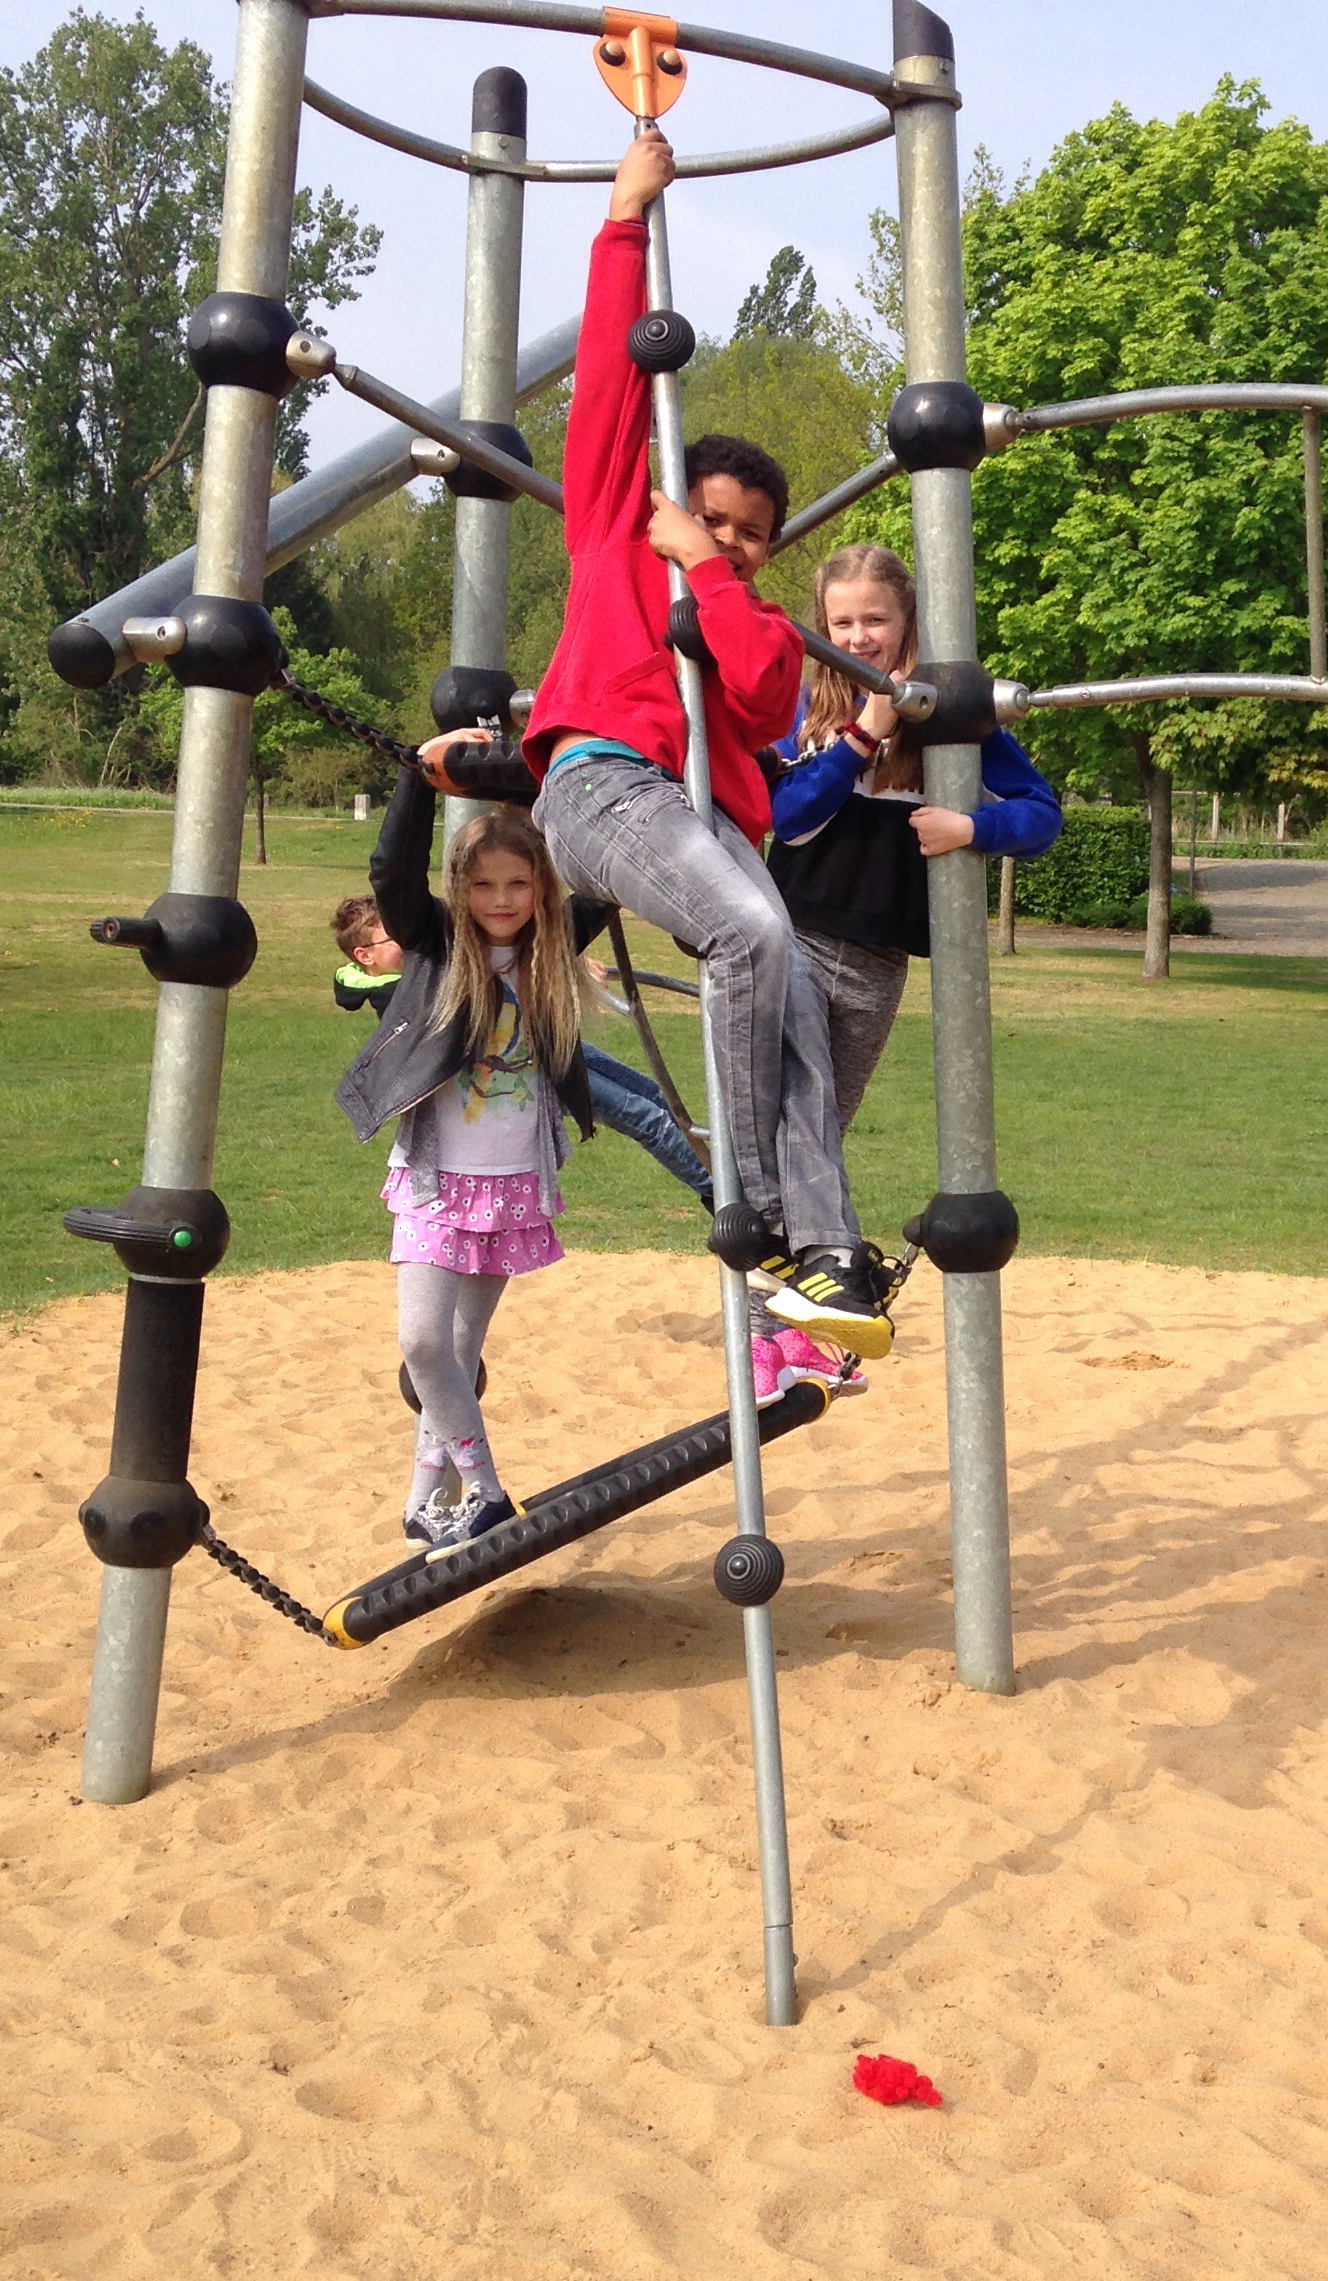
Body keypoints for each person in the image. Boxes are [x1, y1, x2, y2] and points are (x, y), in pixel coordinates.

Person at [509, 124, 889, 1358]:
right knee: (754, 930)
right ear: (674, 500)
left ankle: (823, 1256)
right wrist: (625, 213)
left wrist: (708, 578)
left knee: (790, 1021)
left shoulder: (745, 609)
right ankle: (760, 1208)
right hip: (603, 782)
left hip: (701, 810)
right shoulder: (615, 523)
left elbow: (769, 696)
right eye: (711, 519)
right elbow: (613, 386)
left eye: (749, 534)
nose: (727, 539)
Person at [333, 764, 594, 1553]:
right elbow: (391, 874)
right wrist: (417, 775)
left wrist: (583, 771)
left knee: (457, 1354)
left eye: (519, 883)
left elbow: (613, 877)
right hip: (435, 1183)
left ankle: (421, 1501)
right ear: (461, 890)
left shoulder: (552, 950)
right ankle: (483, 1489)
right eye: (483, 886)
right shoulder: (438, 945)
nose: (502, 900)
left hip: (512, 1185)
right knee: (420, 1343)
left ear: (542, 891)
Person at [767, 543, 1062, 1126]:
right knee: (783, 1118)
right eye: (841, 623)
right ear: (821, 628)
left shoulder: (950, 718)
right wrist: (861, 737)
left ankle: (791, 1219)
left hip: (879, 962)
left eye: (876, 620)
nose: (858, 638)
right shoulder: (802, 711)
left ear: (908, 623)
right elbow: (785, 816)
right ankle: (765, 1213)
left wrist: (972, 827)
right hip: (792, 941)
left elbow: (1041, 814)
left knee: (827, 1126)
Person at [332, 889, 714, 1209]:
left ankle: (733, 1182)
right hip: (519, 1071)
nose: (411, 939)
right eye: (394, 937)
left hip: (539, 1042)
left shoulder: (426, 962)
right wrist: (566, 970)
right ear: (365, 956)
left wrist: (565, 958)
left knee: (651, 1093)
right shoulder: (395, 993)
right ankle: (720, 1198)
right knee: (644, 1117)